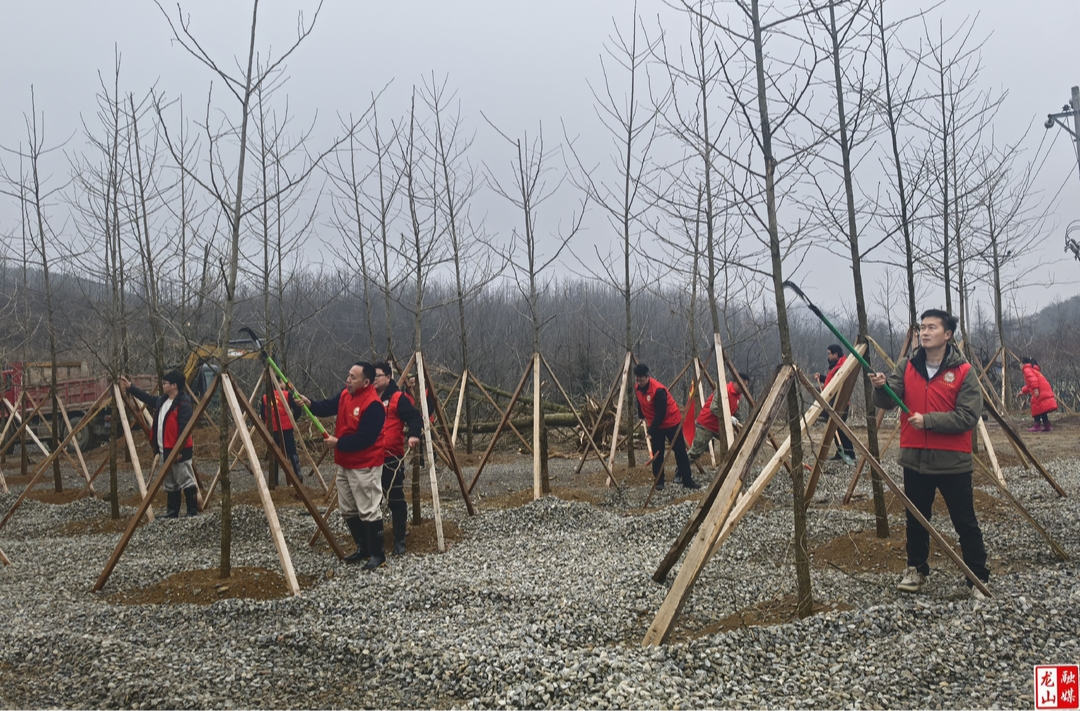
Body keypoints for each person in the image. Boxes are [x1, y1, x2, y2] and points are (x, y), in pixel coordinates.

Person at [869, 309, 989, 599]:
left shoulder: (964, 372)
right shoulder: (907, 366)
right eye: (922, 327)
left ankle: (977, 577)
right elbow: (889, 400)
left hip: (952, 461)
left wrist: (929, 421)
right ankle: (916, 569)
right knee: (916, 519)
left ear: (947, 335)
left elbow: (968, 416)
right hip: (915, 459)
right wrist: (882, 388)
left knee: (964, 521)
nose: (924, 332)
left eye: (931, 327)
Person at [298, 362, 387, 570]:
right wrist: (310, 404)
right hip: (345, 462)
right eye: (348, 375)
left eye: (353, 377)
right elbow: (328, 406)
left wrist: (338, 443)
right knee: (347, 508)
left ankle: (378, 554)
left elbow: (365, 439)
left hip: (365, 464)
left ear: (366, 382)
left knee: (369, 509)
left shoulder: (373, 405)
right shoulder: (346, 394)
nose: (348, 380)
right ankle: (363, 548)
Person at [121, 371, 199, 519]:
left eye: (165, 383)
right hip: (165, 449)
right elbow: (147, 398)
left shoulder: (183, 404)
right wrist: (131, 388)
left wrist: (179, 449)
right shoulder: (163, 401)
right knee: (170, 482)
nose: (162, 385)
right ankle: (172, 512)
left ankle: (192, 512)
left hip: (179, 450)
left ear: (174, 385)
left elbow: (185, 429)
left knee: (185, 479)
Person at [373, 362, 422, 555]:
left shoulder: (397, 398)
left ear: (388, 377)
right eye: (372, 376)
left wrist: (413, 434)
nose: (375, 379)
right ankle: (374, 542)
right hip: (370, 458)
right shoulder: (369, 398)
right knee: (372, 500)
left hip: (391, 457)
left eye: (378, 376)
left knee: (395, 499)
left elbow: (414, 417)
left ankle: (399, 540)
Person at [633, 363, 698, 490]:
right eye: (637, 380)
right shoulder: (637, 388)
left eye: (642, 380)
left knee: (680, 451)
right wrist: (641, 416)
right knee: (657, 453)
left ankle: (687, 480)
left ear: (647, 377)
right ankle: (659, 481)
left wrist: (651, 431)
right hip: (655, 423)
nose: (639, 383)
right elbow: (640, 402)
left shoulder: (658, 390)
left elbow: (661, 413)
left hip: (671, 421)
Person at [687, 374, 748, 464]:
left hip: (719, 427)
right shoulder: (724, 390)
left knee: (735, 443)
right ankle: (681, 470)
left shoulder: (738, 395)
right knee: (695, 452)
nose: (745, 389)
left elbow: (736, 411)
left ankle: (727, 468)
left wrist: (745, 425)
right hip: (706, 424)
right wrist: (728, 417)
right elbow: (714, 408)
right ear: (738, 383)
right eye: (744, 386)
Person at [816, 344, 855, 463]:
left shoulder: (841, 367)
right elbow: (830, 380)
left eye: (829, 354)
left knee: (839, 428)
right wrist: (822, 378)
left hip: (840, 403)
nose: (828, 356)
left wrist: (828, 396)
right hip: (833, 401)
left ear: (835, 354)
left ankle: (849, 452)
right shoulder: (835, 366)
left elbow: (835, 384)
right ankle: (841, 452)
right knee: (835, 429)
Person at [260, 388, 303, 482]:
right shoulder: (286, 394)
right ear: (279, 383)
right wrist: (292, 420)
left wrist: (268, 422)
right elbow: (297, 410)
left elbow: (263, 414)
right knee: (292, 452)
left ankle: (274, 480)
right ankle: (298, 474)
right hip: (286, 427)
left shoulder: (265, 397)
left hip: (272, 429)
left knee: (274, 453)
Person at [1019, 357, 1057, 433]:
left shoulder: (1027, 370)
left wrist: (1036, 389)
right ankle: (1047, 426)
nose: (1019, 366)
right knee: (1042, 408)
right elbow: (1030, 385)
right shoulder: (1033, 369)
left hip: (1039, 390)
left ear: (1023, 364)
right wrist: (1023, 391)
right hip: (1044, 389)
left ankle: (1037, 426)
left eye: (1020, 363)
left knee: (1036, 407)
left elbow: (1033, 380)